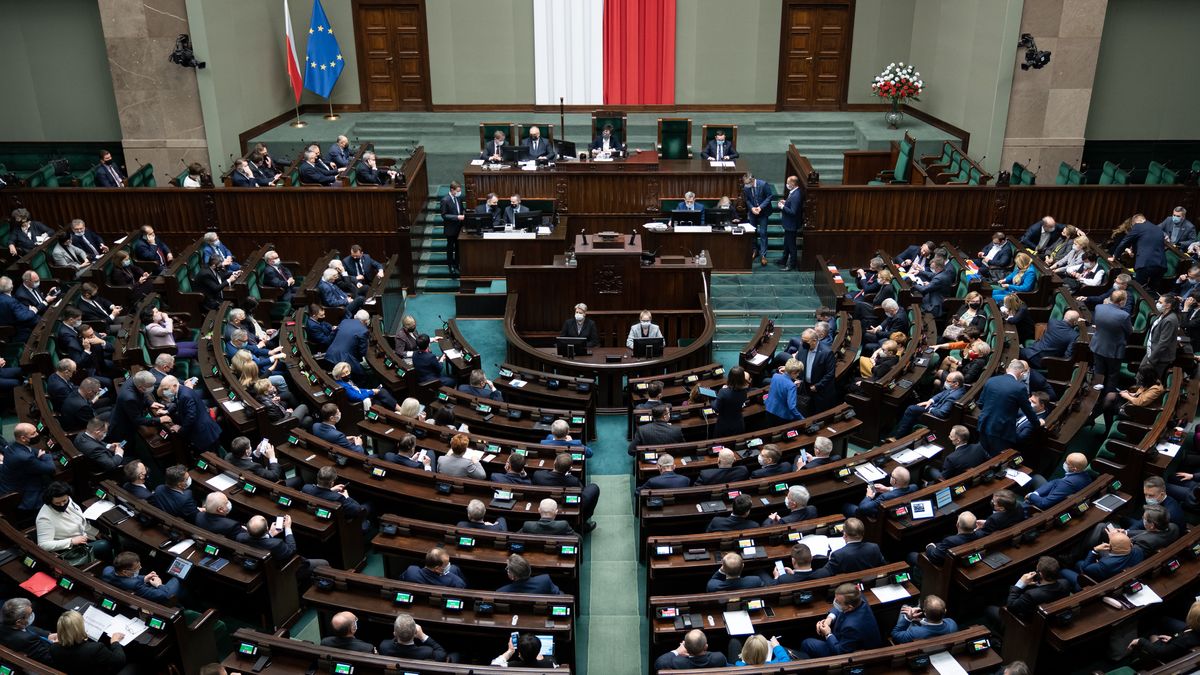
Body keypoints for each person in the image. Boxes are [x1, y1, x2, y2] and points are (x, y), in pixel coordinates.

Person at [985, 556, 1070, 632]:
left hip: (1027, 624)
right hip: (1050, 618)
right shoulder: (1065, 583)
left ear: (1040, 574)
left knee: (989, 609)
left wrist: (1020, 583)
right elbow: (1049, 588)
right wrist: (1037, 584)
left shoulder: (1031, 595)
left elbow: (1011, 606)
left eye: (1036, 570)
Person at [977, 360, 1042, 456]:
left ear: (1008, 369)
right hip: (1001, 431)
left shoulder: (991, 380)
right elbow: (1028, 410)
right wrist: (1038, 423)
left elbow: (980, 404)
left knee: (982, 454)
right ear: (1021, 373)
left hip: (984, 424)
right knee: (997, 460)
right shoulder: (1019, 388)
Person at [800, 583, 882, 657]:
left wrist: (828, 634)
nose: (834, 602)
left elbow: (840, 651)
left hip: (852, 650)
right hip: (844, 634)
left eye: (838, 602)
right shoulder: (857, 596)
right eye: (835, 599)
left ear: (850, 607)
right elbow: (840, 608)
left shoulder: (852, 626)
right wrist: (829, 619)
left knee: (807, 643)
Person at [38, 481, 111, 564]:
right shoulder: (44, 518)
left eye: (64, 501)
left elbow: (79, 522)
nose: (62, 505)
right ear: (50, 501)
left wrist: (97, 533)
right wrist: (71, 541)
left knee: (108, 538)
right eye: (57, 503)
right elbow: (43, 545)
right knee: (105, 545)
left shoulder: (68, 500)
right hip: (70, 549)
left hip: (83, 538)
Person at [50, 609, 131, 675]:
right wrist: (115, 642)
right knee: (134, 666)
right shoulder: (95, 648)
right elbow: (119, 661)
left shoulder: (54, 648)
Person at [532, 452, 599, 530]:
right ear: (570, 468)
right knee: (594, 488)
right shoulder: (573, 481)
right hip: (565, 505)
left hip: (543, 502)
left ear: (554, 462)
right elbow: (581, 491)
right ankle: (582, 521)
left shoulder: (538, 475)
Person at [0, 423, 57, 513]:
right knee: (57, 488)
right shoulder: (25, 458)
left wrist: (40, 455)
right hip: (22, 494)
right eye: (33, 434)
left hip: (11, 482)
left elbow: (34, 451)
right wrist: (45, 457)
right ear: (23, 438)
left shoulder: (12, 445)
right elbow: (50, 468)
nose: (37, 434)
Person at [891, 371, 965, 438]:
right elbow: (942, 394)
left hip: (935, 416)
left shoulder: (953, 397)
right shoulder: (959, 388)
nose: (945, 382)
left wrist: (929, 409)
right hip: (934, 406)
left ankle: (897, 436)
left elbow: (941, 413)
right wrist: (930, 401)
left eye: (948, 381)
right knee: (913, 404)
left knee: (911, 409)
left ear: (956, 384)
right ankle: (903, 430)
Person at [1059, 530, 1142, 591]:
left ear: (1110, 547)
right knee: (1078, 563)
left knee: (1063, 571)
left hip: (1097, 584)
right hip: (1119, 576)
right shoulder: (1138, 551)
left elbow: (1085, 569)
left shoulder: (1105, 565)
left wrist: (1094, 550)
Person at [1126, 600, 1200, 665]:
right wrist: (1173, 639)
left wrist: (1140, 641)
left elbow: (1161, 653)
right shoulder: (1194, 630)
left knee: (1150, 630)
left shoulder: (1186, 639)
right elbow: (1183, 638)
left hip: (1165, 655)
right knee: (1160, 619)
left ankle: (1134, 660)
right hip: (1174, 645)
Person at [1113, 213, 1166, 289]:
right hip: (1161, 264)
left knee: (1138, 289)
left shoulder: (1138, 226)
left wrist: (1115, 256)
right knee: (1152, 290)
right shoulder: (1157, 228)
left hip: (1145, 264)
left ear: (1137, 221)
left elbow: (1124, 242)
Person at [102, 551, 181, 603]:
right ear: (125, 572)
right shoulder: (135, 585)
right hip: (157, 601)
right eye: (137, 568)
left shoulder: (107, 570)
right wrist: (159, 585)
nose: (140, 568)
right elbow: (163, 595)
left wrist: (144, 578)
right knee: (178, 578)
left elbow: (127, 580)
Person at [0, 598, 55, 665]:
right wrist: (55, 644)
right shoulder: (27, 639)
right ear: (19, 622)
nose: (32, 615)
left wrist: (47, 635)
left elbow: (29, 629)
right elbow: (49, 659)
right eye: (30, 614)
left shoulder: (7, 624)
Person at [845, 466, 915, 518]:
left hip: (875, 518)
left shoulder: (885, 497)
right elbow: (899, 490)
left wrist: (868, 496)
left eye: (891, 475)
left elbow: (862, 509)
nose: (890, 476)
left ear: (894, 481)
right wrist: (887, 489)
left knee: (845, 505)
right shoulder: (914, 487)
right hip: (893, 513)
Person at [1026, 452, 1091, 509]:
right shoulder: (1086, 476)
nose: (1064, 463)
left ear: (1074, 469)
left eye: (1067, 463)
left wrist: (1031, 496)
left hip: (1049, 505)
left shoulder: (1067, 483)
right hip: (1058, 492)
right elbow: (1056, 482)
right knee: (1036, 478)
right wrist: (1036, 493)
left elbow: (1044, 503)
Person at [379, 613, 451, 661]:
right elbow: (442, 654)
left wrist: (398, 635)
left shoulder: (384, 646)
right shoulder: (427, 652)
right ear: (415, 632)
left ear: (394, 634)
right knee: (456, 655)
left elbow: (392, 642)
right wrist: (423, 636)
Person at [1142, 292, 1180, 379]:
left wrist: (1151, 360)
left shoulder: (1170, 320)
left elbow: (1163, 343)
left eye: (1160, 302)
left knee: (1148, 382)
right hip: (1151, 351)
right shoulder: (1163, 314)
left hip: (1158, 357)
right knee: (1141, 376)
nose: (1157, 304)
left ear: (1168, 305)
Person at [890, 596, 957, 644]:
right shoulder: (952, 624)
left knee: (905, 607)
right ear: (945, 611)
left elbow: (895, 634)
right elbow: (937, 620)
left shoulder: (915, 631)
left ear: (924, 612)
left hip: (917, 642)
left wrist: (908, 618)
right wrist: (921, 620)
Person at [326, 310, 371, 380]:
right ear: (366, 321)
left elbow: (332, 336)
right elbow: (362, 352)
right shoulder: (364, 331)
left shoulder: (345, 321)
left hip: (330, 355)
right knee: (363, 376)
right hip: (344, 360)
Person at [653, 629, 728, 670]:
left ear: (685, 647)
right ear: (706, 647)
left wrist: (677, 651)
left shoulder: (677, 662)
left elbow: (659, 663)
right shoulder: (719, 658)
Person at [742, 172, 775, 266]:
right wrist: (752, 208)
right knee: (753, 232)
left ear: (752, 180)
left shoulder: (763, 184)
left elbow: (769, 197)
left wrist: (760, 207)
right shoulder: (746, 187)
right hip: (753, 213)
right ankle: (754, 250)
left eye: (747, 183)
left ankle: (763, 255)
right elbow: (747, 199)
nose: (746, 185)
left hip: (763, 212)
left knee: (763, 233)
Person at [710, 366, 752, 437]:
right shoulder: (744, 391)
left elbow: (716, 408)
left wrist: (711, 400)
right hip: (738, 424)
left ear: (730, 377)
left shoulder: (723, 392)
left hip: (724, 425)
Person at [401, 547, 468, 588]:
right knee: (454, 568)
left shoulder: (411, 571)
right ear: (437, 568)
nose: (449, 565)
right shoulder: (456, 582)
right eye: (447, 564)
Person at [775, 175, 804, 270]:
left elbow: (793, 212)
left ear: (793, 183)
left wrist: (782, 207)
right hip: (789, 224)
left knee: (791, 246)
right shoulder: (793, 192)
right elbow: (791, 205)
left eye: (788, 183)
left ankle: (792, 264)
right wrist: (785, 202)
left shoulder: (796, 195)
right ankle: (784, 260)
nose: (786, 185)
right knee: (787, 243)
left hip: (791, 224)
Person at [497, 553, 562, 594]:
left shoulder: (502, 592)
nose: (507, 570)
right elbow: (561, 596)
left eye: (508, 568)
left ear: (512, 576)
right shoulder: (545, 581)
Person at [765, 358, 805, 424]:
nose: (798, 375)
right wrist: (801, 418)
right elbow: (792, 407)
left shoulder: (775, 376)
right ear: (793, 372)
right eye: (798, 373)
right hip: (781, 417)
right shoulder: (791, 386)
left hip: (769, 410)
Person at [0, 275, 38, 343]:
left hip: (4, 332)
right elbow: (23, 317)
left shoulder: (6, 298)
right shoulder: (11, 301)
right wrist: (33, 311)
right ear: (12, 287)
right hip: (17, 332)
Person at [491, 633, 560, 668]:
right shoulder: (551, 665)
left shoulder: (509, 666)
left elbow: (494, 665)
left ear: (519, 654)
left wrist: (510, 651)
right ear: (539, 652)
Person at [440, 181, 465, 274]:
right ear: (452, 190)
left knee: (458, 247)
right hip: (450, 229)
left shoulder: (458, 198)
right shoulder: (445, 200)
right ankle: (450, 266)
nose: (459, 192)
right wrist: (457, 217)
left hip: (459, 228)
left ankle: (457, 264)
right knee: (450, 248)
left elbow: (461, 209)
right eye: (457, 191)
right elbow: (444, 215)